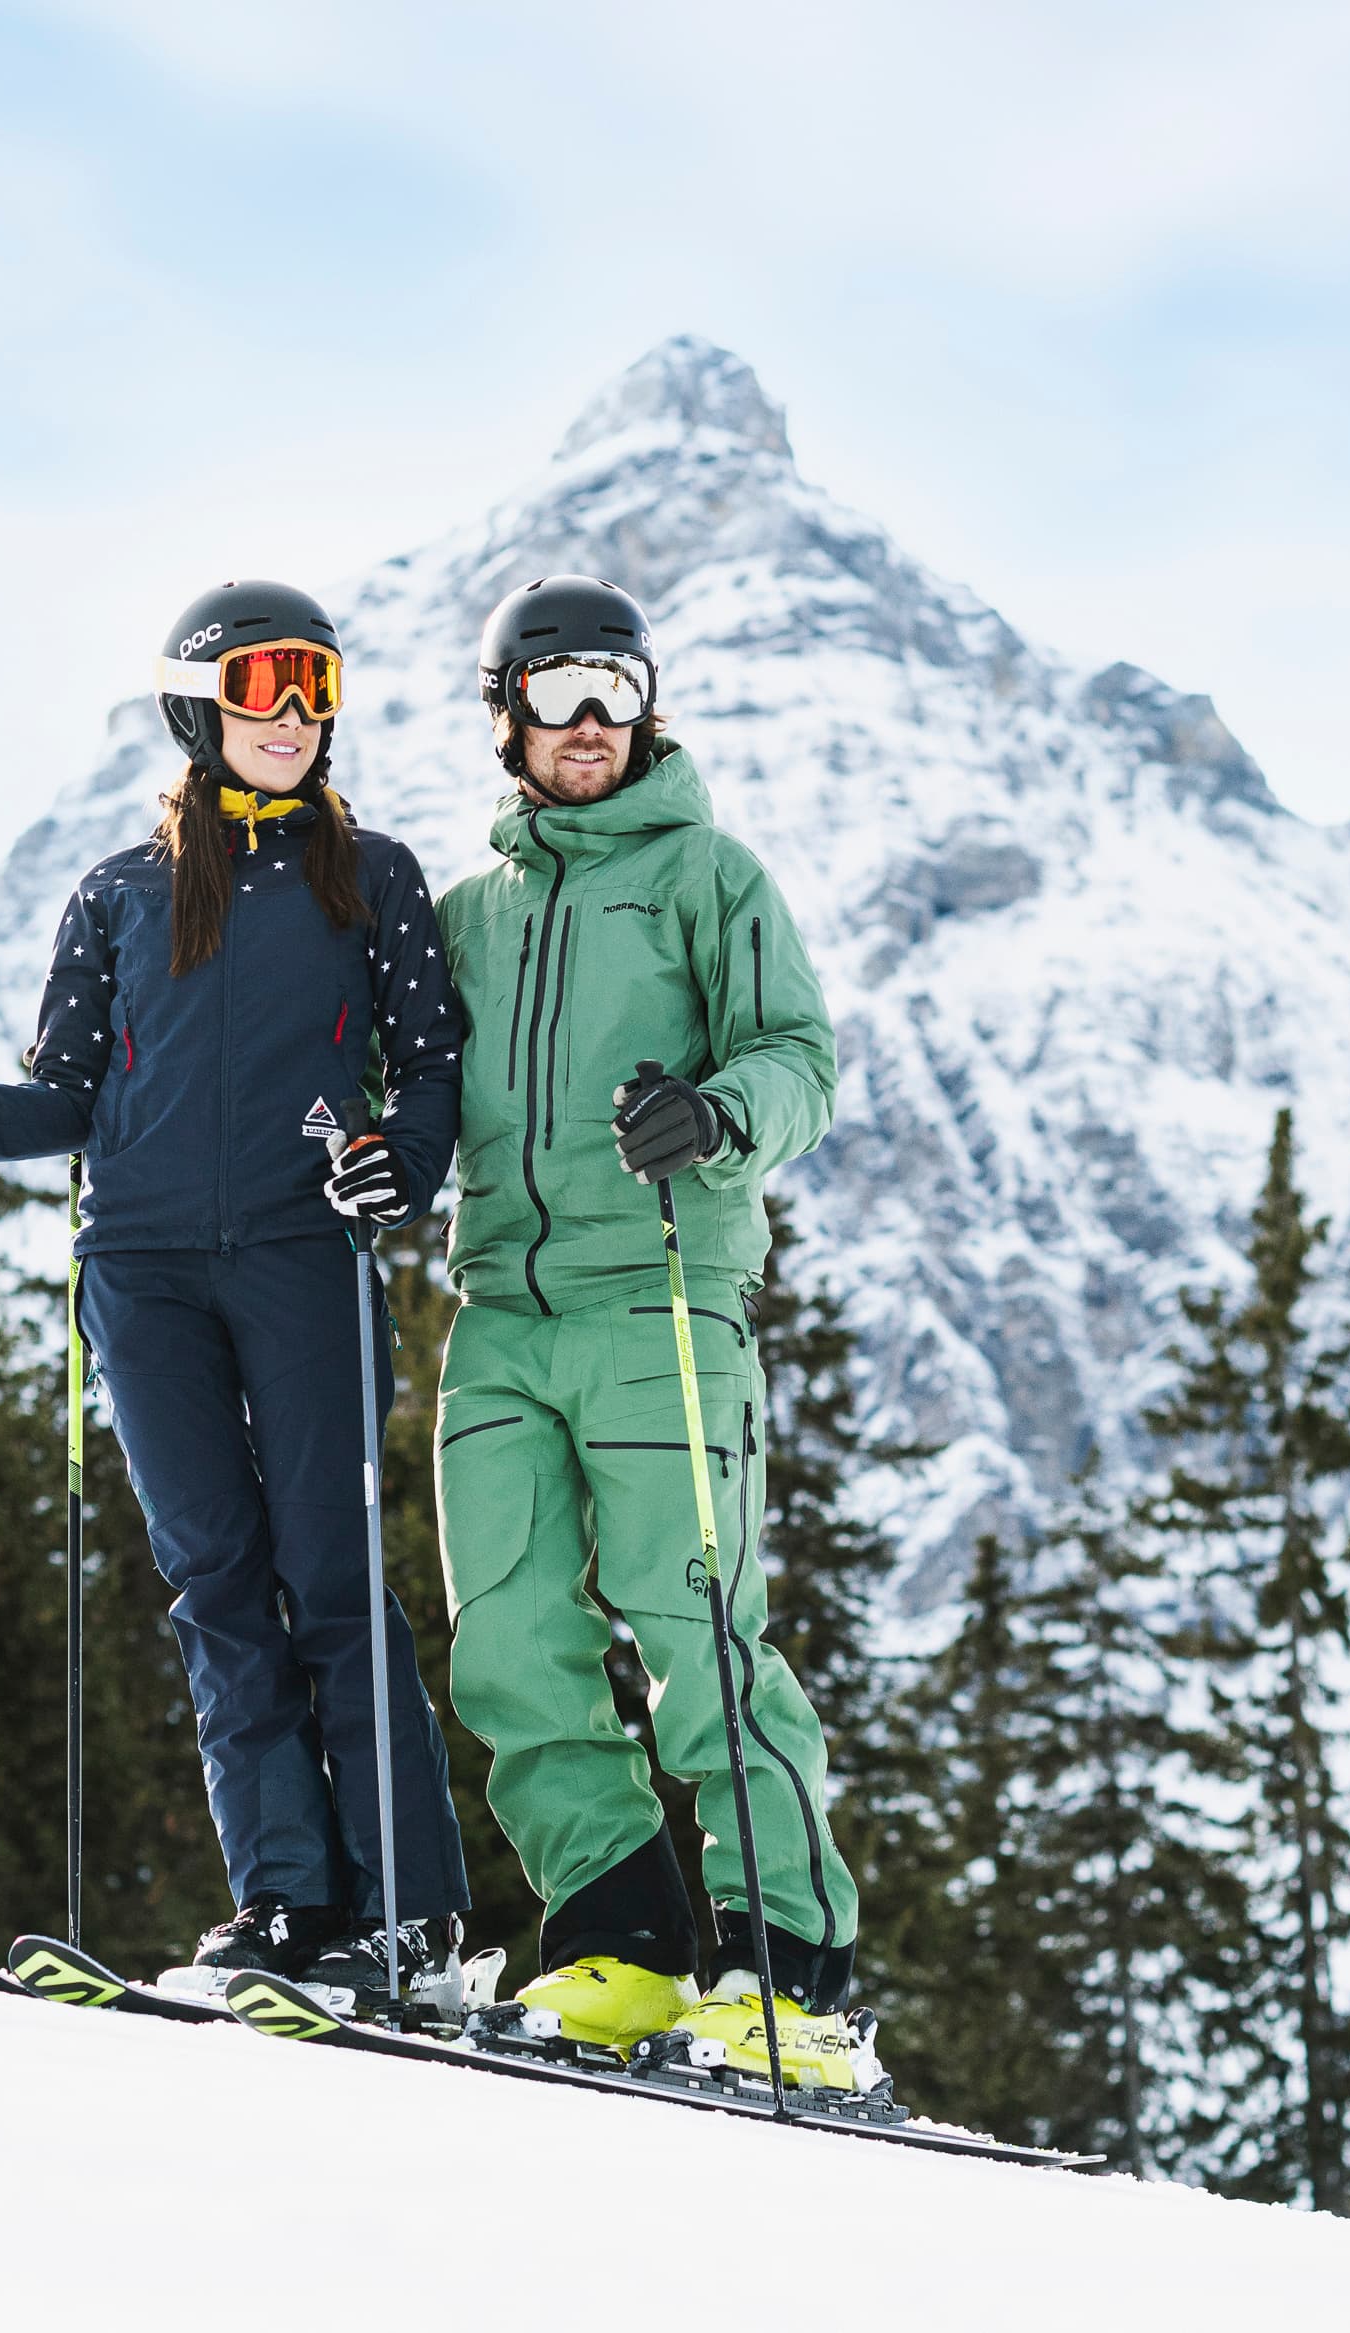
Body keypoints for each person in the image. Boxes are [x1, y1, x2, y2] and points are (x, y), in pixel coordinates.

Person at [0, 579, 471, 2014]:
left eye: (315, 683)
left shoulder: (382, 880)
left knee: (335, 1580)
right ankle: (288, 1897)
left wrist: (397, 1168)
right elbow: (57, 1099)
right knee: (217, 1586)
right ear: (197, 704)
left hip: (305, 1259)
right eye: (262, 684)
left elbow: (430, 1073)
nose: (293, 713)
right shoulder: (117, 893)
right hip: (142, 1274)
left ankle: (407, 1914)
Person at [431, 575, 868, 2089]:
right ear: (509, 717)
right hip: (497, 1311)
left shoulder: (710, 876)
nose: (591, 723)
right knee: (509, 1637)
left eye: (615, 688)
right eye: (557, 692)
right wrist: (367, 1152)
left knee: (696, 1623)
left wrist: (720, 1113)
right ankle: (619, 1935)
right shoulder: (466, 912)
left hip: (661, 1295)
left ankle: (785, 1970)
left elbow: (800, 1054)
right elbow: (408, 1093)